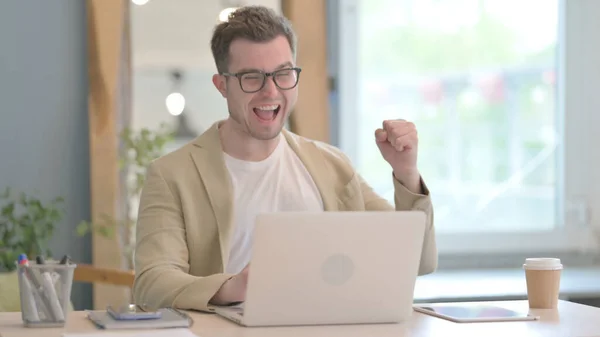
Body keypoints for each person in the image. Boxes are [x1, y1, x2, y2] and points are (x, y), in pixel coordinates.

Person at [132, 5, 437, 312]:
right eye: (252, 77)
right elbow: (151, 284)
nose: (271, 91)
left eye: (283, 73)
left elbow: (416, 260)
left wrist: (406, 173)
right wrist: (235, 287)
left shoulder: (332, 165)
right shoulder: (172, 174)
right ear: (222, 85)